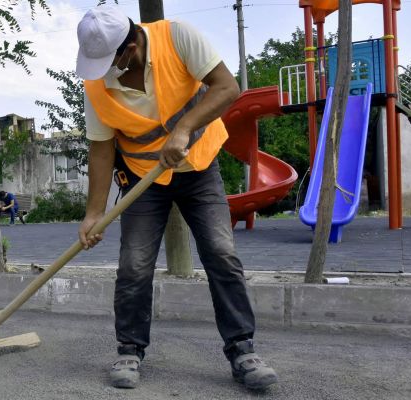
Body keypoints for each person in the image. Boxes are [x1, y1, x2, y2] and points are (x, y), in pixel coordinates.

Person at [75, 5, 278, 391]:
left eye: (109, 60)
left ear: (131, 46)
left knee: (221, 253)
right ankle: (129, 349)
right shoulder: (96, 84)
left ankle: (242, 350)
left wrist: (184, 129)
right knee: (133, 265)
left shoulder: (178, 36)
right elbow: (100, 149)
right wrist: (93, 214)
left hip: (199, 166)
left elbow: (227, 87)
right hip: (142, 180)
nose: (102, 70)